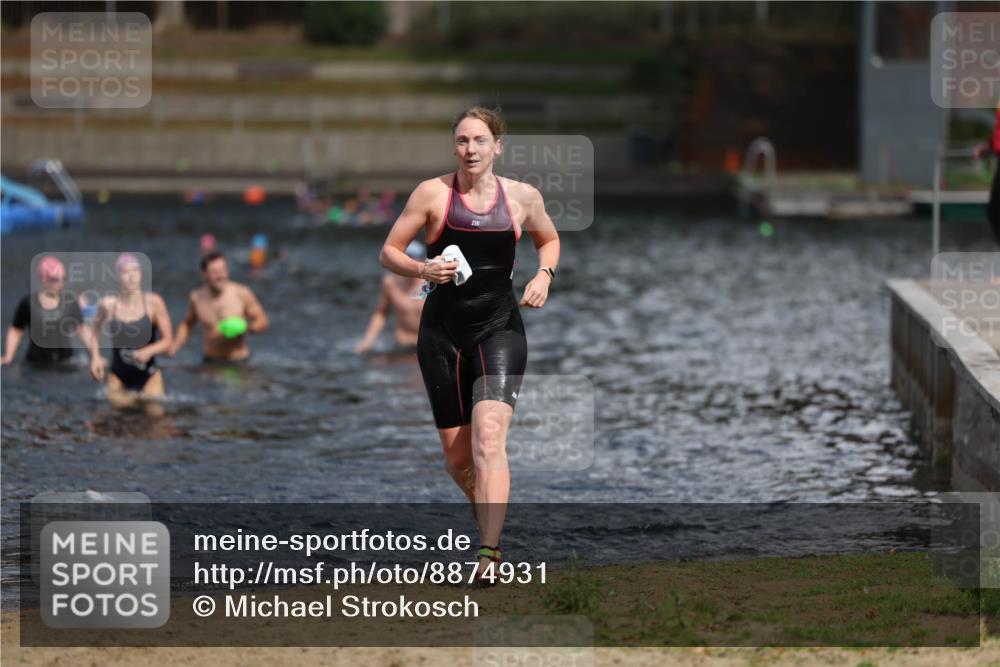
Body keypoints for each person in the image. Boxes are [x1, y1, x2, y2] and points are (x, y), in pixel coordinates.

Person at [379, 107, 560, 584]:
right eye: (462, 140)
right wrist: (423, 270)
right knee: (459, 460)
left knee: (489, 437)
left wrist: (544, 274)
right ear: (454, 146)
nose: (471, 149)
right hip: (440, 334)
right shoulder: (432, 194)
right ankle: (490, 526)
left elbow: (550, 240)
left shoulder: (522, 198)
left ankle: (489, 553)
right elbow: (389, 251)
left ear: (497, 146)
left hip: (499, 328)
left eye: (480, 140)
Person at [88, 253, 174, 411]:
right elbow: (95, 329)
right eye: (126, 272)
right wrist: (95, 358)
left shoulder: (154, 303)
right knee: (119, 419)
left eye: (135, 271)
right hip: (118, 374)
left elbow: (168, 340)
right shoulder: (108, 305)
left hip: (149, 375)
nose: (131, 276)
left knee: (155, 421)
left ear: (141, 274)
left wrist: (150, 350)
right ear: (118, 277)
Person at [170, 250, 269, 363]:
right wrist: (175, 346)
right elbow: (188, 324)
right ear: (204, 274)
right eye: (215, 272)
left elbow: (263, 320)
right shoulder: (196, 297)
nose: (220, 276)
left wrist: (247, 328)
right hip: (210, 361)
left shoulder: (241, 293)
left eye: (223, 270)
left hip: (238, 361)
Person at [2, 256, 93, 366]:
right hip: (36, 364)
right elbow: (16, 331)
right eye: (55, 279)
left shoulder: (70, 302)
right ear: (44, 279)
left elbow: (83, 330)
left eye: (63, 278)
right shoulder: (28, 303)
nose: (60, 283)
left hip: (66, 363)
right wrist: (8, 356)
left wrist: (96, 357)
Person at [355, 241, 427, 354]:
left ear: (422, 260)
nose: (410, 263)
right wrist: (368, 341)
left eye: (414, 259)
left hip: (425, 347)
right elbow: (381, 313)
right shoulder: (390, 283)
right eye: (406, 259)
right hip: (401, 345)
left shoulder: (431, 284)